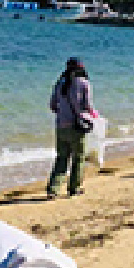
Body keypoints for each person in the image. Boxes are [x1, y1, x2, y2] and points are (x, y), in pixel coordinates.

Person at [46, 57, 97, 199]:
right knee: (78, 158)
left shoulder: (59, 83)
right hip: (77, 126)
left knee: (61, 158)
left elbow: (52, 105)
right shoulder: (84, 83)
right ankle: (74, 188)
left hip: (61, 126)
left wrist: (64, 113)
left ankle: (53, 189)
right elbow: (88, 106)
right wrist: (94, 116)